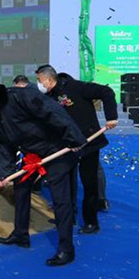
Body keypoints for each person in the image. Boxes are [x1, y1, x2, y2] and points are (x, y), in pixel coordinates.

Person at [0, 78, 87, 267]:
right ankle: (20, 234)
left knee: (60, 199)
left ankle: (66, 249)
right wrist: (5, 173)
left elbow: (53, 112)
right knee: (21, 187)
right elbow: (2, 145)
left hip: (55, 150)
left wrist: (74, 138)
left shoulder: (20, 96)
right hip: (32, 154)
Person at [35, 65, 118, 234]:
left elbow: (106, 92)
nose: (39, 83)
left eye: (39, 80)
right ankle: (68, 216)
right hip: (66, 146)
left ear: (49, 79)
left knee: (89, 182)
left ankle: (91, 222)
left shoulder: (76, 87)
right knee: (66, 183)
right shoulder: (49, 97)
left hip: (88, 142)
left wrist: (111, 117)